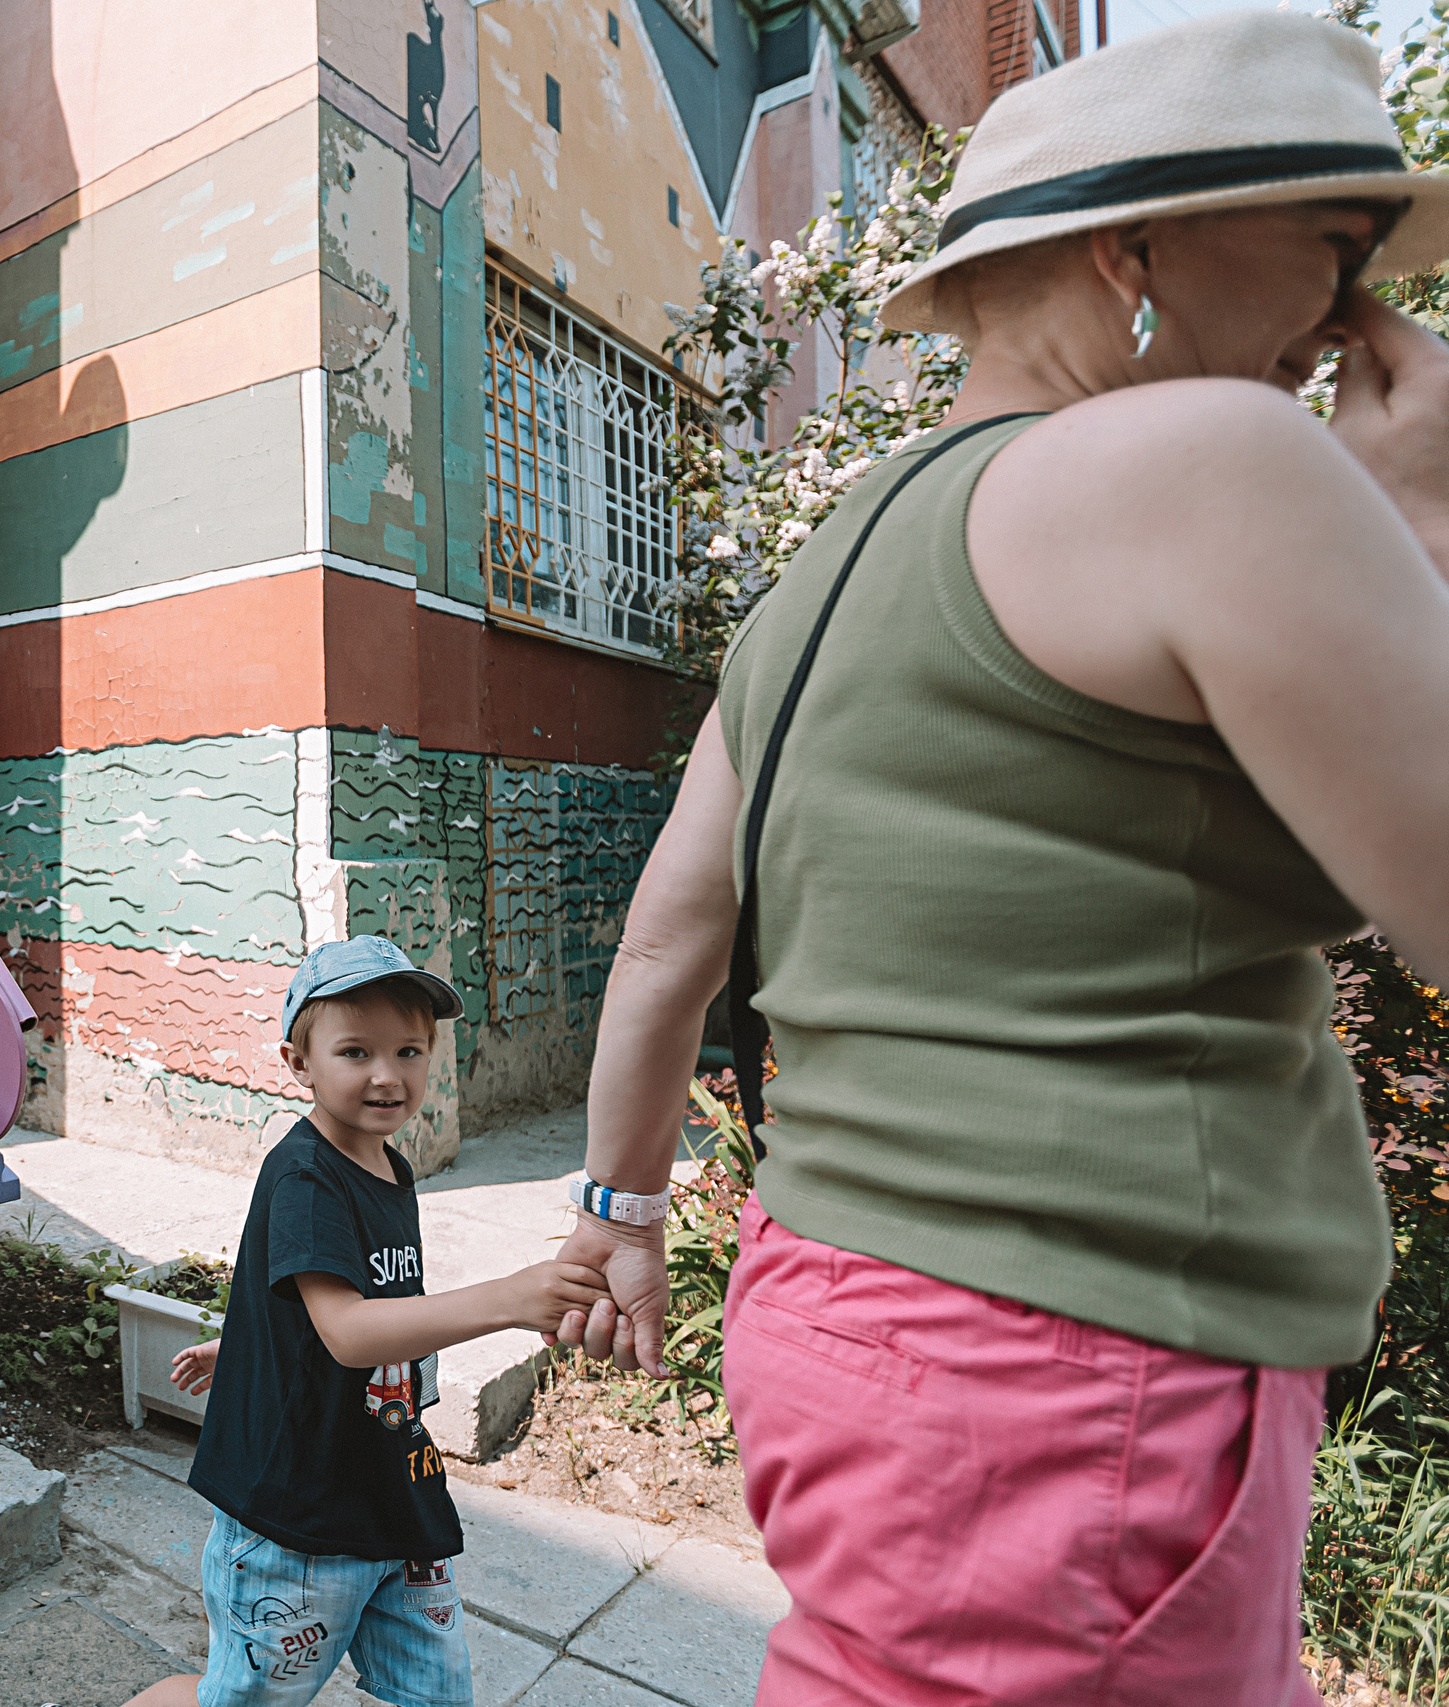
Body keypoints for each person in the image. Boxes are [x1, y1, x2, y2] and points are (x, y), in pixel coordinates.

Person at [548, 17, 1449, 1703]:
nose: (1356, 323)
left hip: (828, 1306)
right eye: (1336, 253)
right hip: (1078, 1381)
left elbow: (671, 937)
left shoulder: (819, 573)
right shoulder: (1218, 467)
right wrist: (1430, 532)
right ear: (1135, 252)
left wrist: (619, 1206)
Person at [123, 936, 606, 1707]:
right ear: (298, 1062)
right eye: (355, 1050)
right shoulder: (307, 1174)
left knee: (436, 1696)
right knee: (241, 1701)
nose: (387, 1074)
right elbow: (346, 1328)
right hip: (298, 1516)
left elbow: (318, 1299)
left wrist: (255, 1339)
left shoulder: (386, 1161)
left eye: (409, 1049)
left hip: (391, 1494)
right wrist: (511, 1298)